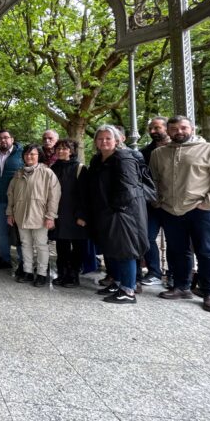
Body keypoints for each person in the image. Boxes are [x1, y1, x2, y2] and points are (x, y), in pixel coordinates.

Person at [150, 116, 210, 313]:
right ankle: (181, 286)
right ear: (168, 131)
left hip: (200, 210)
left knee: (207, 251)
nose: (179, 131)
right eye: (174, 129)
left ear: (193, 129)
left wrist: (208, 203)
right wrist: (157, 201)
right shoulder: (159, 153)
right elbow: (153, 180)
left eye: (183, 128)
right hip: (170, 210)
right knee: (176, 250)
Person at [84, 125, 148, 304]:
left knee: (125, 251)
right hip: (105, 212)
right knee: (112, 250)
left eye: (108, 138)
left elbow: (128, 188)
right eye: (100, 138)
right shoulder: (98, 160)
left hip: (122, 213)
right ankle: (118, 283)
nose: (104, 141)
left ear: (117, 140)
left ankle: (128, 290)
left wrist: (114, 208)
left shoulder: (123, 158)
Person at [7, 144, 61, 286]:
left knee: (41, 245)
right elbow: (11, 194)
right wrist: (10, 213)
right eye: (26, 154)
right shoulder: (18, 174)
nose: (29, 157)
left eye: (33, 154)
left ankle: (42, 274)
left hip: (40, 216)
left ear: (39, 156)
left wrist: (50, 216)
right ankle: (28, 271)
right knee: (25, 244)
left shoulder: (47, 173)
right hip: (20, 215)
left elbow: (54, 196)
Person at [50, 139, 88, 287]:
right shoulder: (53, 168)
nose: (61, 151)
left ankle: (73, 275)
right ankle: (62, 273)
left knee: (78, 246)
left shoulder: (80, 168)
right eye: (58, 148)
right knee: (61, 245)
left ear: (72, 151)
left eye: (65, 148)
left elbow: (85, 195)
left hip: (75, 214)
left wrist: (82, 215)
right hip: (59, 213)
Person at [139, 116, 170, 286]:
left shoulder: (178, 149)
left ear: (166, 128)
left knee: (175, 241)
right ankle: (154, 272)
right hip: (151, 203)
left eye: (157, 128)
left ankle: (174, 274)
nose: (152, 131)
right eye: (151, 128)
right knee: (148, 237)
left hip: (173, 203)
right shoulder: (145, 152)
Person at [0, 130, 24, 270]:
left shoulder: (21, 155)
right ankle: (5, 259)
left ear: (12, 139)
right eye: (0, 138)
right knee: (1, 232)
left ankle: (23, 262)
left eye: (6, 137)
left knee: (20, 232)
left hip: (17, 202)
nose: (3, 140)